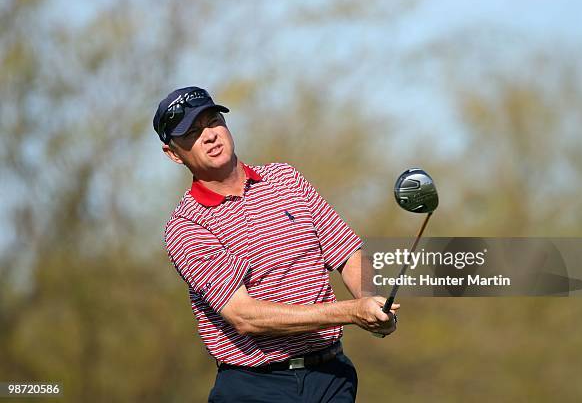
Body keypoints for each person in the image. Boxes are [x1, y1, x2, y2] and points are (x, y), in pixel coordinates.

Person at [153, 86, 399, 402]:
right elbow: (245, 316)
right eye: (193, 133)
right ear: (173, 153)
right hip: (256, 387)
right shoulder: (187, 226)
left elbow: (348, 252)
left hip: (331, 378)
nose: (210, 136)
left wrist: (372, 304)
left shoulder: (285, 179)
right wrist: (351, 312)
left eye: (214, 121)